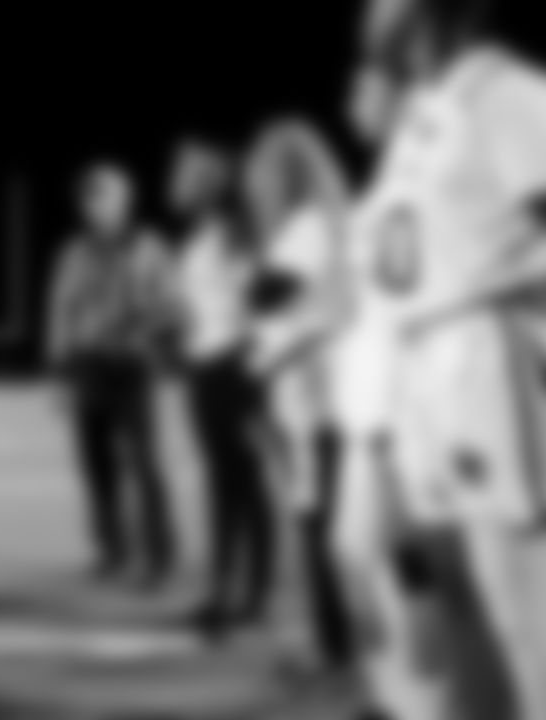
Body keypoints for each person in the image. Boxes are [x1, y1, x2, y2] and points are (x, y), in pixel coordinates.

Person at [339, 0, 546, 716]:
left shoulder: (507, 92)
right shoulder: (425, 111)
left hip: (481, 353)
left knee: (521, 595)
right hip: (420, 366)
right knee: (450, 585)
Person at [243, 119, 358, 674]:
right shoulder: (330, 223)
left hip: (312, 396)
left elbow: (270, 294)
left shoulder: (307, 226)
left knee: (318, 524)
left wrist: (257, 353)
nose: (256, 185)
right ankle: (336, 642)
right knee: (323, 522)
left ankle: (334, 646)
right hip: (321, 393)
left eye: (262, 172)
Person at [45, 162, 174, 585]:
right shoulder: (74, 251)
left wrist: (142, 324)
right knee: (96, 464)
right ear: (86, 206)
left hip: (132, 366)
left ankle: (157, 555)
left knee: (144, 464)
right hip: (88, 366)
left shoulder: (149, 246)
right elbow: (61, 312)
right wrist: (60, 374)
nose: (103, 204)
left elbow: (170, 306)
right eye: (96, 197)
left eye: (113, 194)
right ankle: (110, 548)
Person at [170, 139, 275, 639]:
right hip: (205, 369)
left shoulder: (237, 233)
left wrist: (255, 373)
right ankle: (220, 591)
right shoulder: (200, 237)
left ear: (208, 184)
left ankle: (253, 595)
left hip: (235, 368)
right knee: (221, 483)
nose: (176, 180)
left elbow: (256, 309)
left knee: (246, 483)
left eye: (186, 173)